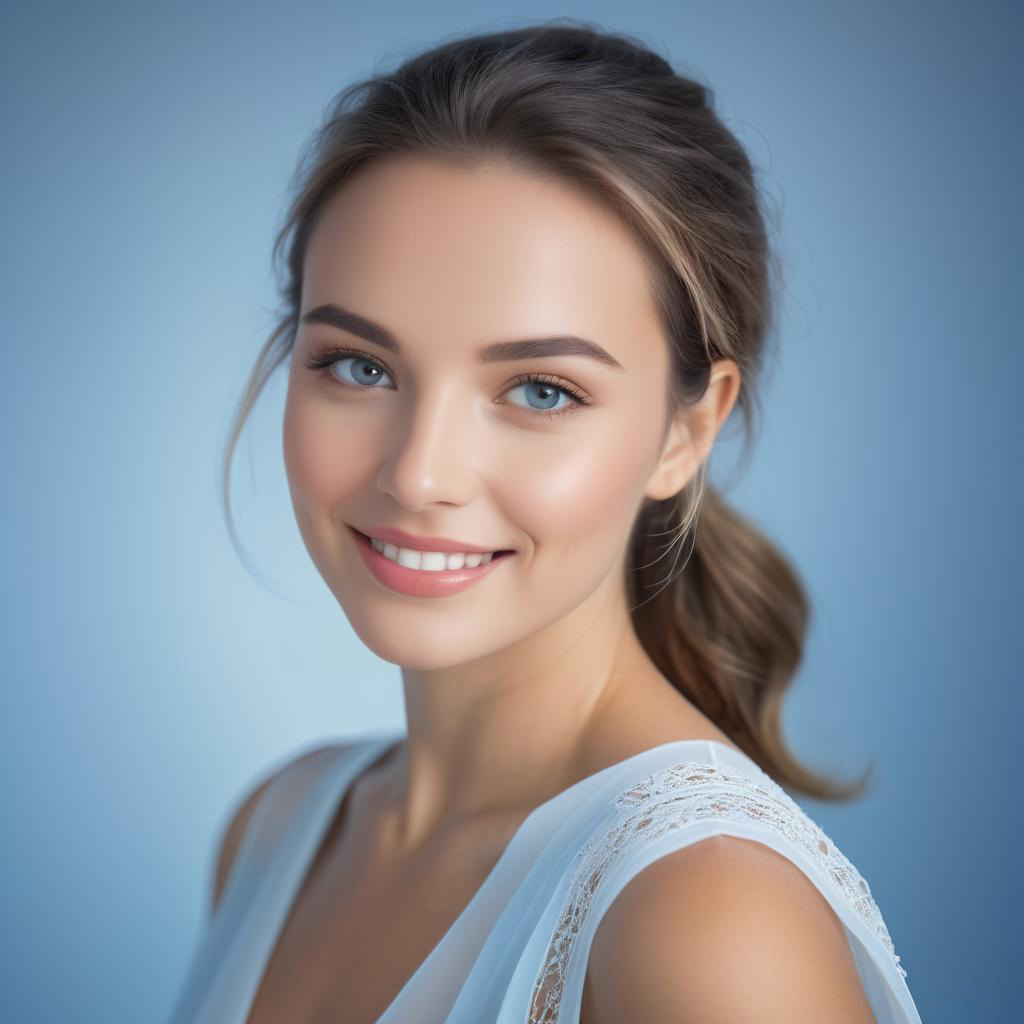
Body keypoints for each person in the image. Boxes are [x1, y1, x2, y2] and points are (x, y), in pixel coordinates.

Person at [166, 21, 923, 1024]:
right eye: (360, 366)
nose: (420, 473)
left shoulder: (705, 919)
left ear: (686, 430)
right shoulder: (280, 825)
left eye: (539, 390)